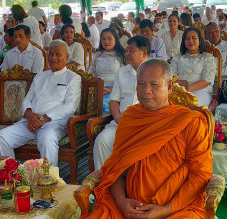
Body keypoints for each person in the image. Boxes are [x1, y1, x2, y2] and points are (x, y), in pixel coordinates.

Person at [81, 58, 213, 219]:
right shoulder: (130, 118)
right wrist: (122, 201)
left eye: (154, 84)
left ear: (169, 86)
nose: (145, 91)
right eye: (141, 84)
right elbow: (116, 170)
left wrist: (165, 210)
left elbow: (200, 175)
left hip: (176, 208)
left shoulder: (190, 122)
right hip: (128, 208)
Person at [0, 40, 81, 167]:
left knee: (47, 139)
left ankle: (50, 180)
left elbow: (70, 106)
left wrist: (43, 119)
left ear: (67, 57)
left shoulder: (73, 78)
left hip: (53, 123)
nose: (53, 58)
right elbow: (27, 99)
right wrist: (29, 115)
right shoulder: (40, 76)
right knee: (1, 137)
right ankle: (12, 176)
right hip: (30, 122)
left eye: (58, 54)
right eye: (51, 54)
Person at [93, 35, 150, 170]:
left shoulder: (156, 70)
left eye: (131, 50)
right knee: (102, 141)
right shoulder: (122, 72)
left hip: (146, 122)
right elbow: (114, 99)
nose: (127, 54)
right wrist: (118, 118)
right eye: (126, 50)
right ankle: (103, 184)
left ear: (144, 53)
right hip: (122, 121)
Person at [171, 27, 216, 106]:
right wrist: (181, 90)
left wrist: (188, 89)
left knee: (191, 104)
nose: (190, 41)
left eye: (194, 38)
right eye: (187, 39)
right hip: (179, 91)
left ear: (200, 40)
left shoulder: (207, 57)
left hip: (201, 91)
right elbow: (172, 76)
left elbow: (207, 80)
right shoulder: (178, 57)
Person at [89, 28, 126, 113]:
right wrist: (96, 88)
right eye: (103, 39)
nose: (106, 42)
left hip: (114, 89)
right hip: (98, 88)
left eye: (109, 39)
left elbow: (124, 78)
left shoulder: (121, 55)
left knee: (103, 106)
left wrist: (110, 90)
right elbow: (91, 73)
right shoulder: (97, 55)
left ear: (115, 40)